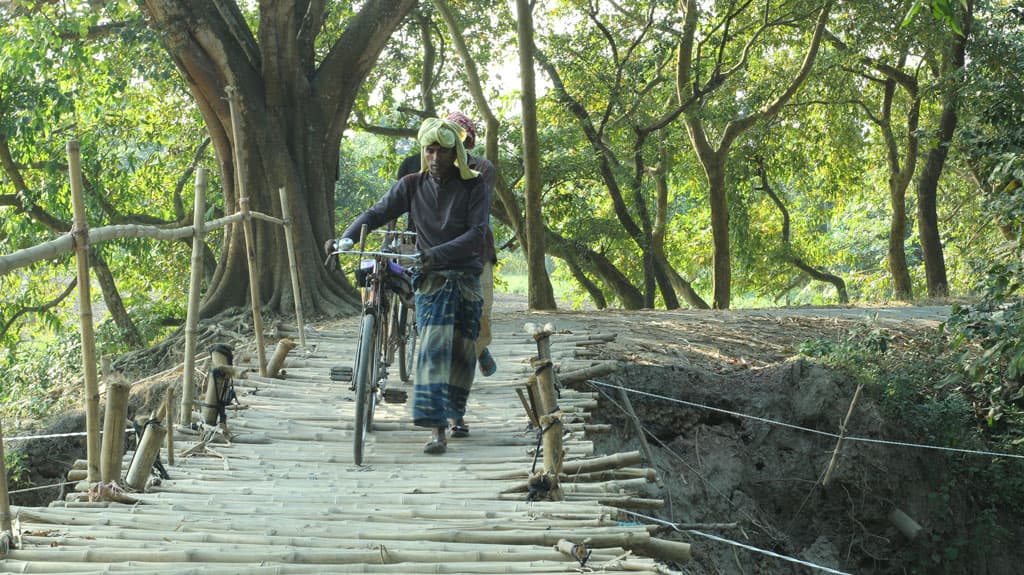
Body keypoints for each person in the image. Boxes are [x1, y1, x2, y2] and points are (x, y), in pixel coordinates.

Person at [328, 117, 493, 455]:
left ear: (456, 153)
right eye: (429, 151)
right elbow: (376, 212)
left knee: (462, 352)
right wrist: (345, 238)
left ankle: (456, 414)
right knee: (432, 349)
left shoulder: (475, 185)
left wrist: (434, 252)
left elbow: (476, 234)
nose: (435, 158)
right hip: (430, 279)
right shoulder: (411, 185)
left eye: (442, 152)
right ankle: (437, 431)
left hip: (465, 276)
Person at [397, 112, 499, 387]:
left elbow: (475, 222)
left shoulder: (481, 172)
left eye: (448, 148)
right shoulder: (413, 169)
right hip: (428, 253)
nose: (438, 156)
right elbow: (391, 205)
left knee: (480, 316)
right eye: (432, 149)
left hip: (472, 254)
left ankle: (474, 351)